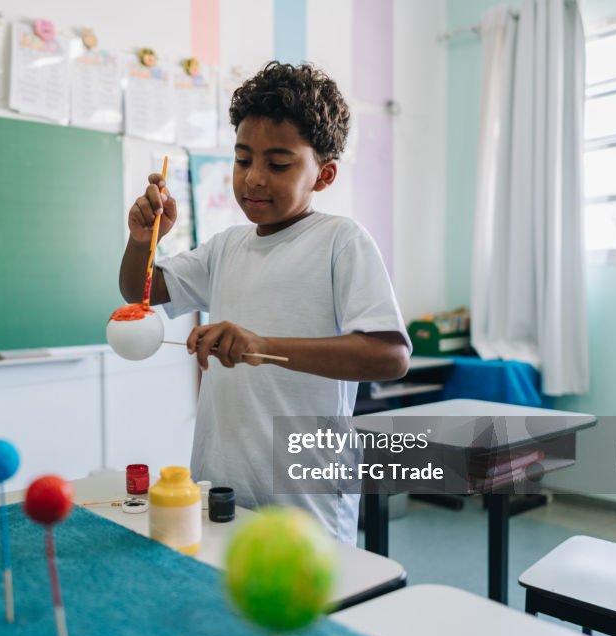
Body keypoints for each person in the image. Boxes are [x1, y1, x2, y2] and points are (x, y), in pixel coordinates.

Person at [118, 61, 411, 544]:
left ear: (324, 174)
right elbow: (140, 292)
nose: (254, 178)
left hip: (305, 500)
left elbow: (390, 356)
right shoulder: (226, 246)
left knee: (302, 616)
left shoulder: (341, 241)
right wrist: (142, 241)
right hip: (221, 484)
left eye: (278, 164)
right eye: (242, 159)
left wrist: (263, 344)